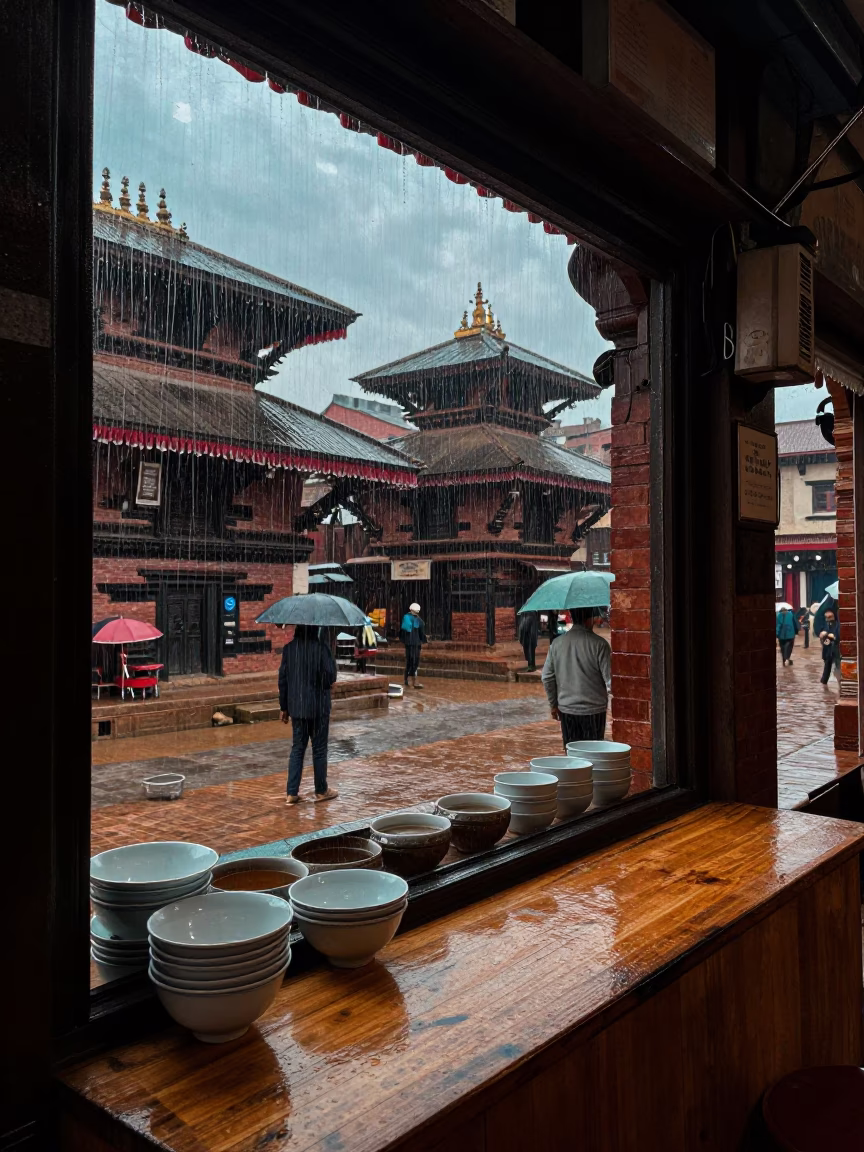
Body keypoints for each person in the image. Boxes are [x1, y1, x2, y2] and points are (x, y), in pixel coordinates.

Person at [278, 624, 339, 805]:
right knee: (319, 749)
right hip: (319, 707)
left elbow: (283, 680)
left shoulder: (289, 649)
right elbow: (330, 677)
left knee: (297, 749)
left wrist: (284, 707)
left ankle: (291, 792)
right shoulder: (321, 648)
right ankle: (321, 790)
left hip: (297, 707)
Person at [541, 605, 611, 747]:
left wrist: (553, 705)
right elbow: (610, 681)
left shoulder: (556, 644)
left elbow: (547, 677)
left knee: (572, 758)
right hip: (594, 712)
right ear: (591, 618)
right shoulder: (600, 645)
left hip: (567, 711)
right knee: (593, 757)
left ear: (571, 616)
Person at [400, 602, 427, 689]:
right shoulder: (419, 620)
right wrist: (424, 640)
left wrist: (404, 640)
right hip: (416, 644)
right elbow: (421, 632)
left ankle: (407, 680)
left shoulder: (406, 618)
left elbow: (402, 631)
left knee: (409, 661)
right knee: (415, 662)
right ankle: (414, 681)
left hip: (409, 644)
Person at [819, 609, 841, 685]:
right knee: (827, 664)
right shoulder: (826, 624)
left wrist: (833, 636)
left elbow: (838, 635)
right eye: (826, 617)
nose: (828, 619)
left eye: (830, 617)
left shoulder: (838, 624)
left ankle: (840, 681)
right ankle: (824, 681)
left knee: (838, 664)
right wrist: (822, 635)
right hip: (828, 647)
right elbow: (822, 633)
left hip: (836, 647)